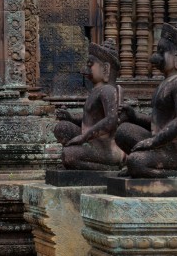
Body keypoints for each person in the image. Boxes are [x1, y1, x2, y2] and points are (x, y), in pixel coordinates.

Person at [116, 17, 177, 178]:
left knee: (135, 161)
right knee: (123, 131)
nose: (155, 57)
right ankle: (147, 166)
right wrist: (135, 116)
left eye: (161, 52)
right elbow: (160, 123)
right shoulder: (169, 82)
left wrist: (152, 142)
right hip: (164, 145)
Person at [53, 38, 125, 170]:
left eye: (90, 64)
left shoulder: (108, 90)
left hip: (106, 147)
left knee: (69, 155)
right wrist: (71, 117)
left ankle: (110, 168)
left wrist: (83, 137)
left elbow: (111, 120)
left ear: (105, 69)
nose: (85, 69)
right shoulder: (96, 91)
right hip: (92, 142)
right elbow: (91, 119)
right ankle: (73, 160)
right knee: (62, 127)